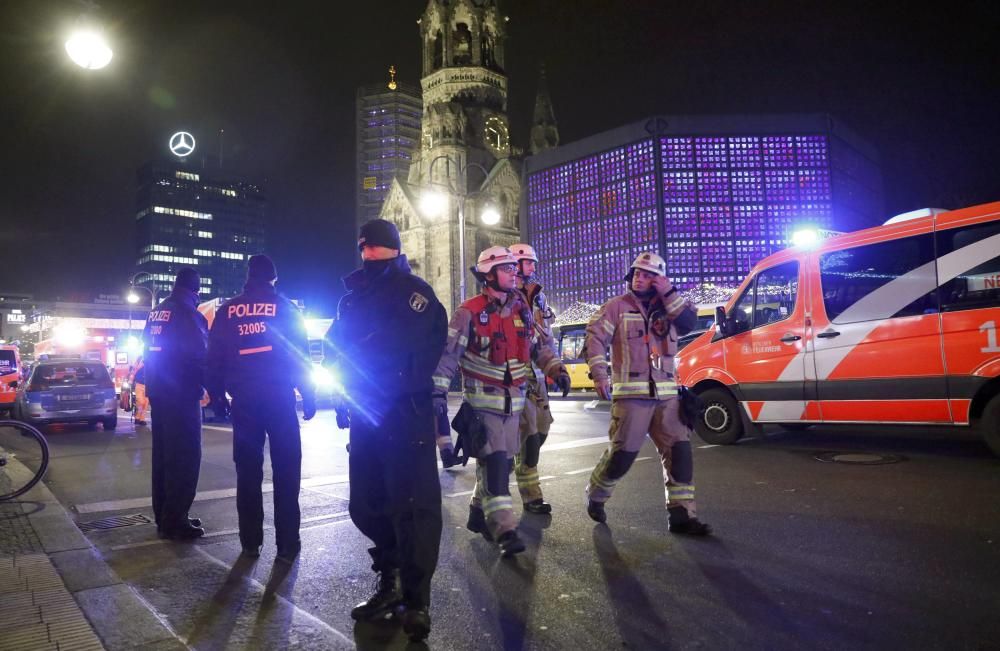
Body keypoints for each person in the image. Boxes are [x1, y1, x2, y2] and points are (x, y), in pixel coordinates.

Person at [332, 219, 447, 642]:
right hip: (366, 416)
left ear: (392, 250)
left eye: (375, 247)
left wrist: (389, 386)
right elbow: (336, 349)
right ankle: (391, 577)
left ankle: (416, 601)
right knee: (365, 503)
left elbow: (428, 349)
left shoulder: (415, 294)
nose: (368, 252)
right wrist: (346, 393)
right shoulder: (351, 299)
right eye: (365, 246)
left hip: (404, 413)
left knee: (414, 508)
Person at [433, 245, 561, 557]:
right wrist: (436, 395)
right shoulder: (468, 313)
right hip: (483, 409)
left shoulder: (522, 310)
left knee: (498, 465)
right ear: (488, 275)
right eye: (506, 269)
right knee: (497, 468)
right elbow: (447, 359)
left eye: (514, 268)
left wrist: (556, 369)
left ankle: (478, 514)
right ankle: (504, 528)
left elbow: (535, 348)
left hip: (514, 409)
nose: (514, 272)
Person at [583, 252, 711, 535]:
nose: (640, 278)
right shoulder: (615, 307)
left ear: (659, 280)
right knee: (622, 457)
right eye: (637, 273)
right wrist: (600, 376)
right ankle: (596, 493)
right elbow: (594, 341)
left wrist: (668, 291)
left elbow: (689, 323)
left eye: (648, 275)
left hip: (668, 397)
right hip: (632, 398)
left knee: (679, 453)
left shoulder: (672, 307)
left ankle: (682, 516)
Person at [205, 255, 315, 562]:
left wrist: (216, 398)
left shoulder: (228, 311)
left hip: (244, 401)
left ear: (248, 277)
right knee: (286, 471)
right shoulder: (286, 309)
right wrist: (309, 394)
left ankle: (250, 542)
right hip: (279, 399)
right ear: (274, 279)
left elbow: (213, 359)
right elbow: (300, 355)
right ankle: (288, 544)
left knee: (248, 473)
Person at [142, 268, 209, 540]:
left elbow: (148, 350)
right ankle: (176, 520)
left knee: (163, 456)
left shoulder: (157, 311)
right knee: (185, 457)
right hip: (182, 395)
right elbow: (201, 356)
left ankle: (164, 515)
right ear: (196, 290)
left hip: (159, 392)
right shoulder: (189, 314)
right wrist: (211, 387)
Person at [510, 243, 571, 515]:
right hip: (513, 378)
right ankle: (530, 496)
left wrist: (557, 369)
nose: (534, 268)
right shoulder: (505, 297)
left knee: (541, 431)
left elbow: (546, 338)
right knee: (528, 440)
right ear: (516, 265)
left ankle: (485, 496)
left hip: (536, 376)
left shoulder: (538, 299)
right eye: (529, 263)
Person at [131, 356, 149, 426]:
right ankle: (137, 417)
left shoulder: (151, 360)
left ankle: (141, 419)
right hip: (139, 384)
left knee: (146, 403)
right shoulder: (139, 359)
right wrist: (130, 381)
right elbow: (134, 371)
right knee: (141, 402)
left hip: (147, 385)